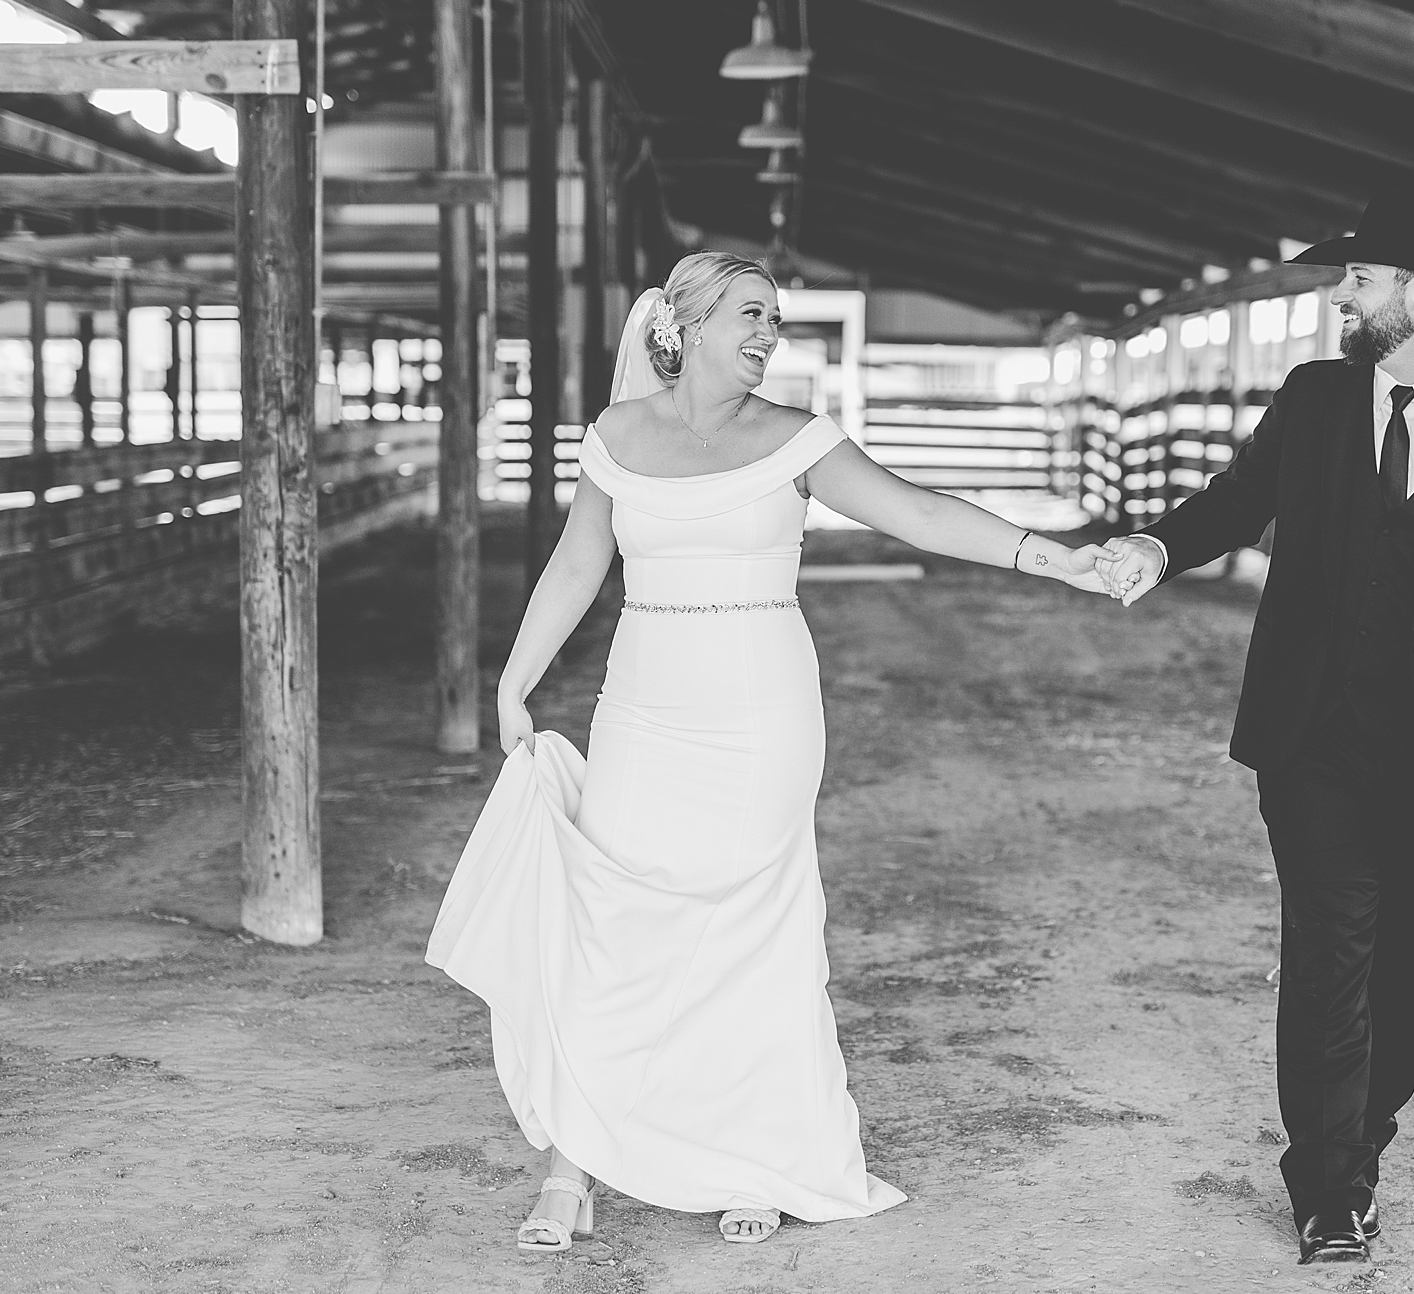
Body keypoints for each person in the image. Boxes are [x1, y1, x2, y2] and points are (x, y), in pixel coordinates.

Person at [427, 252, 1112, 1251]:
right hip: (643, 706)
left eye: (775, 320)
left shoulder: (798, 439)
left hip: (761, 712)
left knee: (752, 926)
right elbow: (579, 561)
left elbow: (919, 512)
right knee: (610, 920)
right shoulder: (617, 435)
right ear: (688, 324)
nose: (767, 334)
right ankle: (572, 1167)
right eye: (750, 314)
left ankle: (754, 1155)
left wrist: (1058, 558)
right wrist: (511, 681)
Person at [1097, 193, 1414, 1264]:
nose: (1338, 296)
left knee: (1404, 965)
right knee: (1330, 949)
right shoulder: (1315, 398)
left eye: (1357, 278)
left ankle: (1362, 1134)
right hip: (1311, 737)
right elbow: (1234, 501)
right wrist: (1156, 547)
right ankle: (1330, 1185)